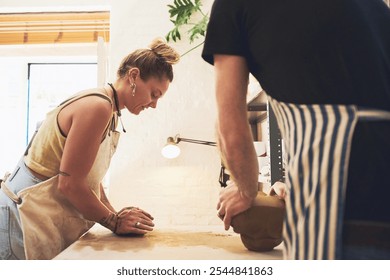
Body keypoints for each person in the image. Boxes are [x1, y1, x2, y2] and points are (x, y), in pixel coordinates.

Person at [202, 0, 390, 259]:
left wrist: (245, 190)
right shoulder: (374, 6)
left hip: (341, 204)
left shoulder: (234, 5)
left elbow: (230, 125)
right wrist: (296, 184)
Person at [0, 38, 180, 260]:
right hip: (19, 215)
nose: (153, 104)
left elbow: (88, 179)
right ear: (133, 76)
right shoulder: (98, 107)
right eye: (154, 94)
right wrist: (114, 222)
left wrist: (116, 215)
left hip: (34, 213)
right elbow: (70, 184)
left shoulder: (111, 111)